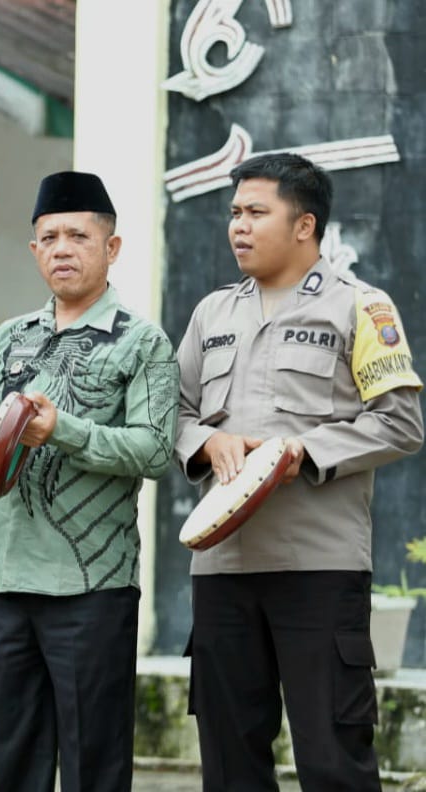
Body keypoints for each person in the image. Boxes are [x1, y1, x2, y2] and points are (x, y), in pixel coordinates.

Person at [0, 171, 179, 792]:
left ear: (110, 248)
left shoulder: (143, 342)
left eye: (78, 236)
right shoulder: (12, 337)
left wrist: (63, 430)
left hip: (92, 585)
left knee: (95, 765)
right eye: (49, 237)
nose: (62, 248)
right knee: (13, 764)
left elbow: (156, 449)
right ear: (35, 250)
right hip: (8, 583)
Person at [173, 152, 423, 790]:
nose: (239, 226)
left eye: (257, 212)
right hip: (223, 569)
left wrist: (301, 452)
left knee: (332, 761)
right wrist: (208, 442)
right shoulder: (212, 314)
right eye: (234, 213)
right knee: (230, 764)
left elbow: (401, 422)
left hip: (319, 569)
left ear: (305, 224)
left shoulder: (361, 308)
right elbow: (170, 414)